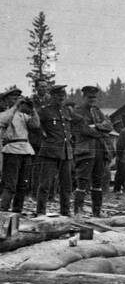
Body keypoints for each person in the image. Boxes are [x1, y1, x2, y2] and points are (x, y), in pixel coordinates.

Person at [70, 85, 115, 217]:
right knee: (82, 182)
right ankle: (78, 212)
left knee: (97, 182)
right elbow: (84, 130)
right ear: (83, 97)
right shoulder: (77, 112)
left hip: (100, 150)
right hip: (85, 151)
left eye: (94, 98)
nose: (92, 100)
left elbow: (109, 126)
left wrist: (96, 126)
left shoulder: (97, 111)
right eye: (90, 97)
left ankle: (96, 212)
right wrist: (100, 131)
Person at [33, 83, 74, 217]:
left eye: (63, 95)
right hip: (50, 152)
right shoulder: (44, 111)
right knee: (45, 184)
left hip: (66, 153)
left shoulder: (68, 111)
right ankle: (40, 212)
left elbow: (71, 128)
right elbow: (34, 126)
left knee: (66, 186)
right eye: (58, 95)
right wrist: (43, 137)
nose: (61, 97)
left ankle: (65, 213)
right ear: (52, 96)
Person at [0, 88, 37, 213]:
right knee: (10, 184)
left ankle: (17, 211)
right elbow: (4, 120)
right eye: (13, 98)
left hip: (25, 150)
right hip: (12, 150)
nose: (17, 100)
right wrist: (16, 106)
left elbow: (35, 125)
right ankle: (3, 210)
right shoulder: (4, 113)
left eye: (18, 98)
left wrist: (33, 109)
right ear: (6, 100)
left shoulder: (22, 115)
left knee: (23, 184)